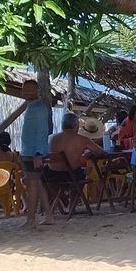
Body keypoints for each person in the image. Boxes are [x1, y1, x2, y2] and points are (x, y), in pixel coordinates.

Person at [39, 112, 104, 223]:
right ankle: (71, 207)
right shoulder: (82, 139)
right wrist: (87, 152)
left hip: (50, 176)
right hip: (71, 176)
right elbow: (100, 152)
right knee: (81, 172)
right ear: (76, 125)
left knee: (76, 172)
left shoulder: (51, 138)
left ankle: (66, 206)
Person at [19, 92, 53, 229]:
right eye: (24, 89)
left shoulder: (39, 108)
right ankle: (49, 215)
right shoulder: (31, 106)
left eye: (29, 89)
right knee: (37, 184)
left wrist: (38, 153)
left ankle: (31, 220)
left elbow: (42, 131)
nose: (25, 91)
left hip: (34, 152)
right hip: (29, 151)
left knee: (32, 186)